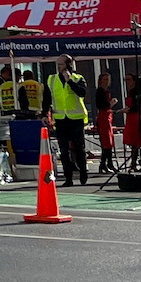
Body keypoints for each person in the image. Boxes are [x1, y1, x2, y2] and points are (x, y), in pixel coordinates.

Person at [47, 56, 92, 187]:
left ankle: (83, 173)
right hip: (61, 119)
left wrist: (70, 81)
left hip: (76, 118)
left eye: (61, 64)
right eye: (58, 64)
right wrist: (45, 113)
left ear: (68, 65)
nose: (59, 66)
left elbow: (82, 93)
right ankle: (68, 178)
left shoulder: (78, 78)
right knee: (64, 150)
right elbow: (47, 98)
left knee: (79, 149)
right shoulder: (52, 79)